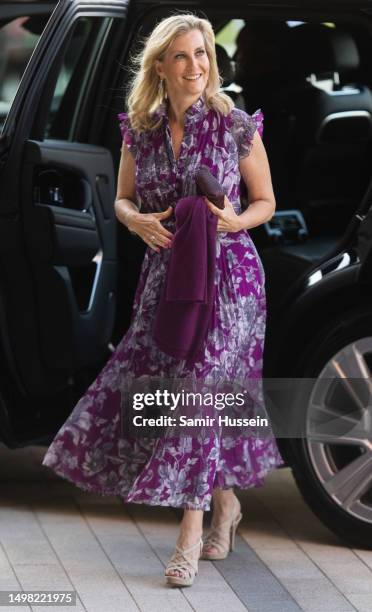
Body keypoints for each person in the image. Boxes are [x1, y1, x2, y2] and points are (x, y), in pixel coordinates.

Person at [41, 13, 284, 588]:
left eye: (202, 54)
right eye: (182, 56)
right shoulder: (140, 131)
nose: (195, 66)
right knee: (184, 395)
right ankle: (225, 504)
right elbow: (122, 201)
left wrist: (232, 220)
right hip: (164, 278)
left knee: (199, 392)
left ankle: (189, 533)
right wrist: (138, 223)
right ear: (160, 66)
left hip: (231, 280)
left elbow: (266, 201)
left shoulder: (235, 126)